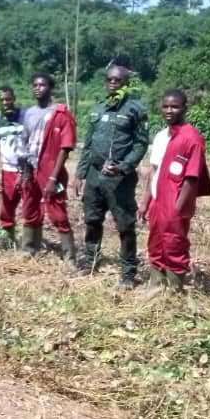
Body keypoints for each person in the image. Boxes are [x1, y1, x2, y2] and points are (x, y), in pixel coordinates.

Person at [74, 65, 149, 289]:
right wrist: (80, 173)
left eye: (118, 80)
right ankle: (90, 261)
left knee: (125, 225)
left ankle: (128, 273)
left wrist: (124, 166)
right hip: (95, 176)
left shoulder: (135, 109)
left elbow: (141, 143)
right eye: (109, 80)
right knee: (92, 220)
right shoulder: (98, 108)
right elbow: (87, 145)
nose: (113, 83)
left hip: (120, 180)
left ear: (126, 83)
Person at [138, 89, 210, 294]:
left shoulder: (192, 138)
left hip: (174, 202)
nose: (169, 110)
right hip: (157, 199)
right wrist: (145, 202)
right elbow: (154, 171)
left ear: (184, 108)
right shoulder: (161, 136)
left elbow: (191, 178)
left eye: (175, 106)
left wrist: (177, 208)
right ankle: (156, 285)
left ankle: (175, 290)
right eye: (165, 106)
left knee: (174, 243)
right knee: (155, 241)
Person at [21, 73, 78, 264]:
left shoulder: (61, 114)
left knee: (57, 211)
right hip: (32, 167)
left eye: (42, 85)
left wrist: (54, 178)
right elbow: (25, 143)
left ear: (50, 88)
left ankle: (69, 256)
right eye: (35, 85)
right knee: (30, 208)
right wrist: (25, 170)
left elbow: (66, 148)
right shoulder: (28, 113)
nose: (37, 88)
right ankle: (29, 248)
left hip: (51, 170)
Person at [0, 87, 29, 248]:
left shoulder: (26, 117)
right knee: (7, 204)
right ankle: (8, 237)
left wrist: (24, 169)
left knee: (29, 205)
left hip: (26, 169)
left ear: (14, 99)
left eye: (8, 99)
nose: (5, 103)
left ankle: (30, 241)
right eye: (2, 100)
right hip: (7, 169)